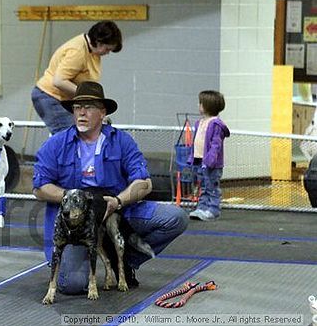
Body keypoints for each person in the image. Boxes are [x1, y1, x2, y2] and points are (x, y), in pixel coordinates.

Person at [33, 81, 188, 294]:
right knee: (71, 285)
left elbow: (144, 183)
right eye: (78, 108)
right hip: (75, 221)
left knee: (176, 218)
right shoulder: (56, 144)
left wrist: (118, 202)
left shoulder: (122, 141)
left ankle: (124, 262)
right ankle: (85, 256)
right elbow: (40, 188)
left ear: (103, 112)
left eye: (89, 107)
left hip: (117, 210)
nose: (81, 113)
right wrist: (74, 198)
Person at [31, 21, 122, 135]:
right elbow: (59, 81)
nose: (107, 53)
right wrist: (89, 99)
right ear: (98, 42)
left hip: (64, 99)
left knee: (81, 133)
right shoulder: (78, 52)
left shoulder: (92, 52)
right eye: (107, 49)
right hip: (50, 96)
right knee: (70, 137)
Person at [188, 90, 230, 221]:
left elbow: (215, 145)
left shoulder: (215, 124)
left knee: (212, 186)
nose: (198, 105)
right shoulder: (199, 123)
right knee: (203, 186)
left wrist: (210, 160)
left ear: (207, 106)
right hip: (200, 160)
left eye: (201, 103)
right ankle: (202, 207)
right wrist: (192, 158)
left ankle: (213, 209)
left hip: (211, 163)